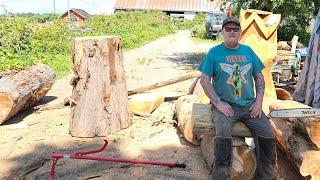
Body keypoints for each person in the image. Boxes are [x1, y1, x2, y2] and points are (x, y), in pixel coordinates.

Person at [198, 17, 277, 180]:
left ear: (240, 32)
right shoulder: (214, 53)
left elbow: (259, 76)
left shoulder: (248, 51)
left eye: (235, 29)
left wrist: (258, 102)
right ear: (222, 33)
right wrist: (218, 103)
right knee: (223, 137)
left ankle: (267, 176)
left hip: (249, 106)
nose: (232, 32)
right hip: (225, 107)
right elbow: (204, 81)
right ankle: (221, 176)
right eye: (228, 29)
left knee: (268, 134)